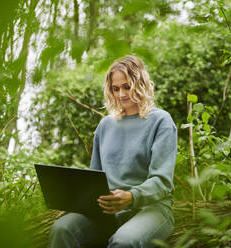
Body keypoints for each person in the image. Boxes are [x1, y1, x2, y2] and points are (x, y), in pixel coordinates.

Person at [49, 55, 178, 248]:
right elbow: (95, 178)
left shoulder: (161, 121)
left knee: (124, 241)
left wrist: (132, 196)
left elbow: (162, 181)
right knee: (62, 229)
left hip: (151, 208)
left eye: (127, 86)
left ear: (140, 83)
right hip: (108, 211)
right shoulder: (105, 125)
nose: (121, 94)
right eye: (115, 89)